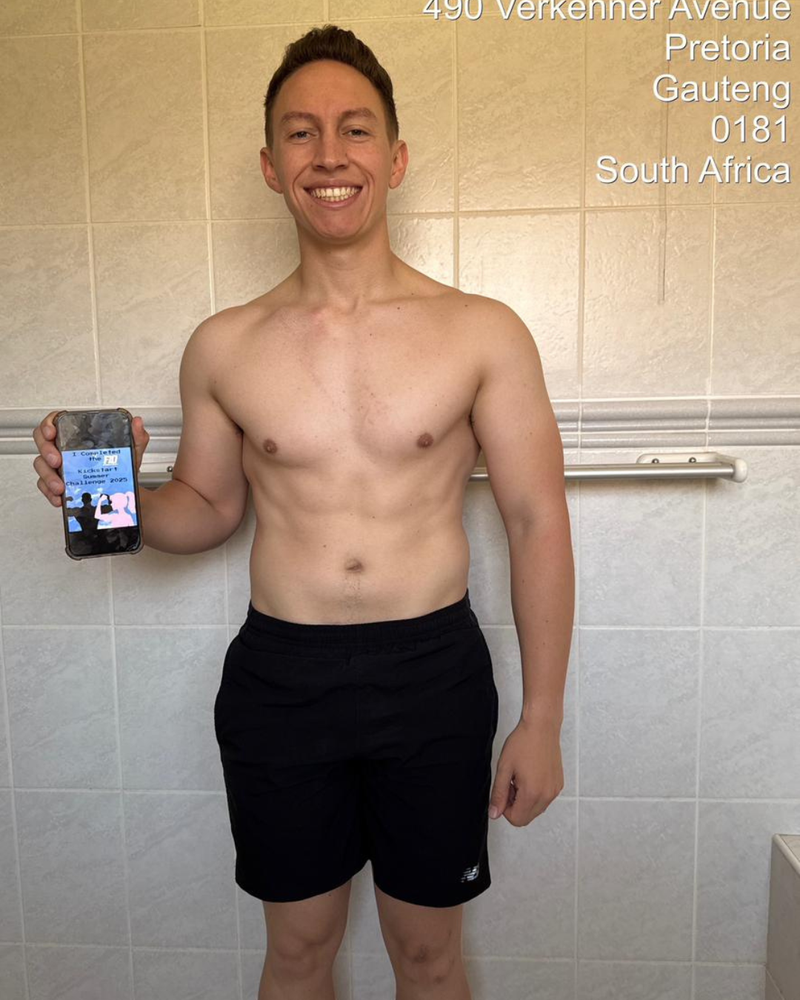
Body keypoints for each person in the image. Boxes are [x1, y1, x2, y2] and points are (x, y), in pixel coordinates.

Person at [33, 23, 574, 1000]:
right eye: (300, 133)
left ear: (394, 158)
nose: (329, 154)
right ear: (271, 165)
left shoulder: (482, 332)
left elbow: (537, 521)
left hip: (432, 677)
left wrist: (541, 718)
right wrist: (106, 498)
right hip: (282, 679)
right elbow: (206, 508)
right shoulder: (225, 345)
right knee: (296, 953)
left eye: (355, 130)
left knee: (428, 957)